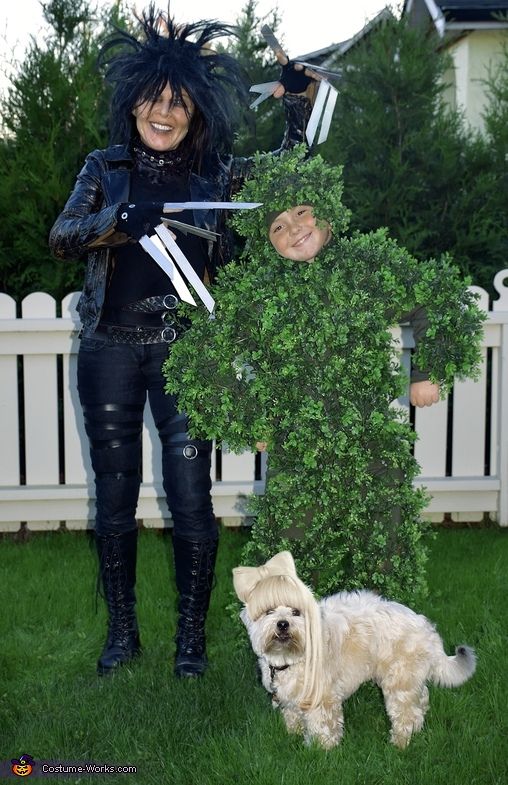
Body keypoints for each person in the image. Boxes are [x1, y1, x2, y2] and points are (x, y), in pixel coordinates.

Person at [49, 6, 319, 677]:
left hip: (188, 354)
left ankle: (191, 641)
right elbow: (62, 236)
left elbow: (291, 170)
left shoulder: (216, 175)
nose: (163, 113)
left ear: (195, 109)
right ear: (133, 101)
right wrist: (117, 219)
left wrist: (296, 105)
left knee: (191, 497)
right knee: (114, 494)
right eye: (153, 99)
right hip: (109, 347)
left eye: (178, 101)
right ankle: (122, 634)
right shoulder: (104, 167)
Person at [162, 147, 484, 601]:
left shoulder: (367, 268)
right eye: (277, 226)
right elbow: (198, 359)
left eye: (301, 212)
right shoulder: (257, 294)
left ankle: (381, 652)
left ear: (325, 208)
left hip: (372, 444)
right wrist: (249, 418)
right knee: (292, 558)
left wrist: (427, 372)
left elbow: (441, 299)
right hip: (297, 453)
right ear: (264, 239)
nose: (294, 229)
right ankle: (294, 659)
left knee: (383, 548)